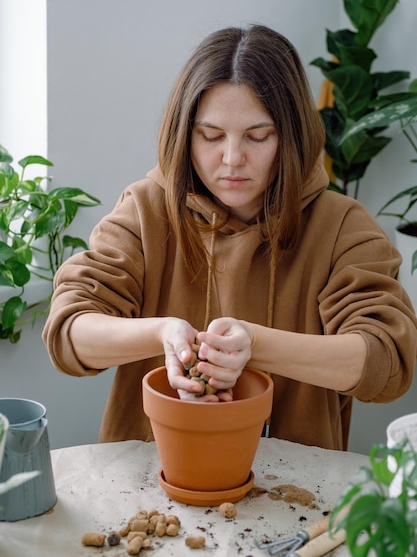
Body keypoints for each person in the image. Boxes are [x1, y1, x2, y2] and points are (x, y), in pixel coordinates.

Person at [43, 25, 417, 451]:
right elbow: (69, 332)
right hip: (149, 485)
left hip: (295, 494)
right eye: (212, 136)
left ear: (291, 136)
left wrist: (255, 345)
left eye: (258, 136)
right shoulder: (145, 208)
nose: (233, 158)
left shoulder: (342, 225)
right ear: (186, 134)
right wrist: (163, 334)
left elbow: (387, 363)